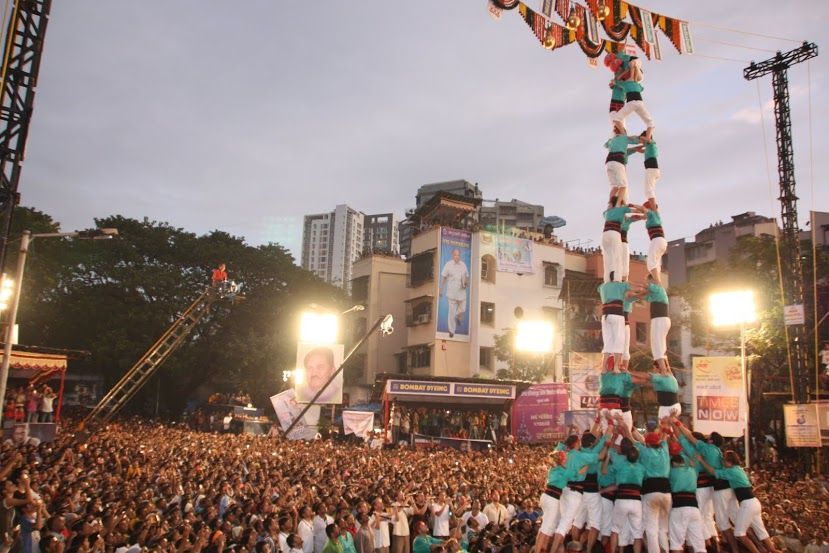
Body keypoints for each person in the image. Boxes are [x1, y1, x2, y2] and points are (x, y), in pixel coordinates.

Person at [695, 450, 780, 553]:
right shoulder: (738, 469)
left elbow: (714, 472)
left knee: (739, 533)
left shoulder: (732, 471)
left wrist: (701, 460)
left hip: (748, 504)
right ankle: (772, 550)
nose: (722, 462)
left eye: (724, 460)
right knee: (761, 532)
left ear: (729, 462)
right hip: (754, 502)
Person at [667, 454, 706, 553]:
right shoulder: (693, 470)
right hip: (694, 508)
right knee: (699, 545)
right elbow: (693, 463)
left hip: (679, 507)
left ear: (674, 463)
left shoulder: (672, 472)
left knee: (676, 544)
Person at [603, 131, 643, 207]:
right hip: (618, 162)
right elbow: (637, 140)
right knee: (623, 186)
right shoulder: (624, 137)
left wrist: (637, 149)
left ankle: (610, 205)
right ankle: (618, 205)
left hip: (609, 163)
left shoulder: (612, 141)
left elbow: (606, 145)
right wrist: (645, 141)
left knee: (614, 186)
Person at [439, 249, 469, 339]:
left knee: (463, 309)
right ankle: (452, 331)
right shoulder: (448, 265)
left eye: (458, 255)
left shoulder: (463, 265)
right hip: (451, 293)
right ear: (452, 255)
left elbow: (467, 276)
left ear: (460, 256)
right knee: (451, 313)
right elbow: (444, 278)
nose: (457, 256)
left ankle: (458, 316)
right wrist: (441, 290)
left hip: (461, 292)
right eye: (455, 255)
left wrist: (466, 283)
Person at [643, 204, 667, 284]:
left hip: (657, 240)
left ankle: (658, 283)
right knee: (656, 263)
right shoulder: (654, 216)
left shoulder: (652, 214)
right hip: (661, 241)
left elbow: (643, 209)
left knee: (651, 261)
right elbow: (642, 214)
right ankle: (656, 281)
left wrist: (630, 205)